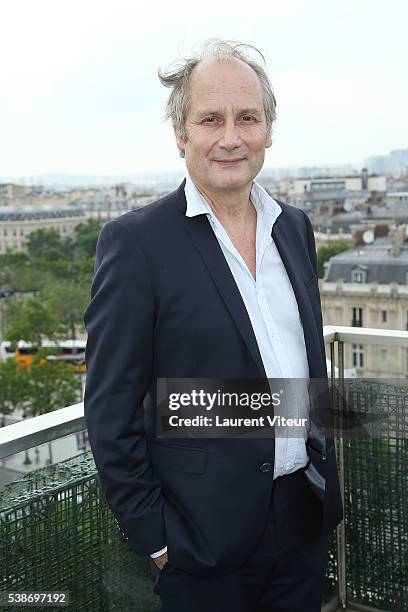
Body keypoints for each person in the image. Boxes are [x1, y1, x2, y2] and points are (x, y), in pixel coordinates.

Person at [83, 39, 343, 612]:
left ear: (268, 130)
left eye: (247, 117)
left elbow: (302, 363)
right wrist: (155, 537)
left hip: (301, 520)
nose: (231, 137)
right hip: (199, 542)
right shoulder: (136, 244)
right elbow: (110, 408)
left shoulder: (294, 228)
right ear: (182, 135)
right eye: (210, 119)